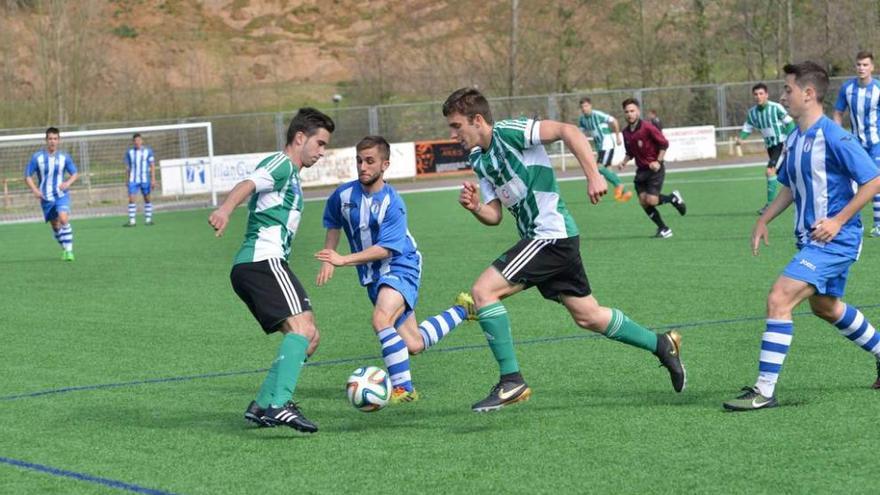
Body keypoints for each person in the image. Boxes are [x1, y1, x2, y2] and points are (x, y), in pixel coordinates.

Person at [442, 87, 686, 413]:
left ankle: (511, 380)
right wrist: (475, 207)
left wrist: (594, 175)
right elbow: (494, 215)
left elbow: (567, 131)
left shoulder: (510, 132)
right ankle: (662, 344)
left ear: (477, 120)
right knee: (589, 316)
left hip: (550, 237)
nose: (452, 134)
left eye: (456, 126)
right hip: (549, 241)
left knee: (483, 291)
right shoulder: (478, 159)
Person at [723, 62, 880, 411]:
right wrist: (764, 219)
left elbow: (874, 179)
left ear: (808, 94)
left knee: (779, 298)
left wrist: (838, 220)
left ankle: (764, 391)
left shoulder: (836, 136)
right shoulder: (794, 137)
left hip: (835, 241)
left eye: (787, 90)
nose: (782, 96)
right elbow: (789, 187)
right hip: (811, 241)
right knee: (825, 307)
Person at [315, 135, 475, 403]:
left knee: (381, 320)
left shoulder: (393, 203)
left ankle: (403, 389)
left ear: (384, 165)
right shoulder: (343, 195)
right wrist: (327, 258)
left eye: (370, 161)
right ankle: (464, 310)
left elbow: (386, 249)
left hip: (401, 264)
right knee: (413, 344)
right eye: (359, 161)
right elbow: (334, 221)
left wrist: (343, 259)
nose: (363, 167)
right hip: (372, 276)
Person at [207, 108, 334, 432]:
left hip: (259, 265)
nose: (321, 152)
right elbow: (248, 183)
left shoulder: (291, 176)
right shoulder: (280, 165)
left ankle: (263, 403)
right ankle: (279, 404)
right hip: (262, 260)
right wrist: (225, 209)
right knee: (302, 331)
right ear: (300, 137)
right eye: (319, 144)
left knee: (311, 337)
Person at [620, 98, 686, 238]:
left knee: (651, 200)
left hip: (655, 169)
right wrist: (624, 162)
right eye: (627, 112)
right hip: (641, 171)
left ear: (638, 111)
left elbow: (664, 144)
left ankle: (673, 198)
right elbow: (630, 151)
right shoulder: (625, 132)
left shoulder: (648, 127)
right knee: (643, 202)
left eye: (632, 111)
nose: (630, 114)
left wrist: (658, 161)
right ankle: (664, 228)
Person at [833, 50, 880, 238]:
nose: (861, 68)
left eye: (865, 65)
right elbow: (837, 113)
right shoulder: (847, 88)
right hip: (855, 145)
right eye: (859, 65)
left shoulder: (878, 89)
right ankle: (850, 223)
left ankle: (878, 224)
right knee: (850, 184)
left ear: (872, 67)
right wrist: (839, 136)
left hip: (876, 143)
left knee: (876, 182)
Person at [735, 83, 796, 215]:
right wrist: (741, 138)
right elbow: (748, 127)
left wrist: (790, 142)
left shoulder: (776, 108)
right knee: (784, 175)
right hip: (770, 147)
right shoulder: (753, 113)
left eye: (761, 93)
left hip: (781, 144)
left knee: (770, 171)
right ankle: (798, 197)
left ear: (767, 95)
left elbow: (790, 123)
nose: (758, 96)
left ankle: (770, 206)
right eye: (756, 94)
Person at [24, 127, 79, 261]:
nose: (52, 142)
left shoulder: (64, 157)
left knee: (64, 218)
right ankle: (65, 249)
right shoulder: (37, 157)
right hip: (46, 197)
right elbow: (27, 176)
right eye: (50, 139)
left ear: (59, 140)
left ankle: (70, 251)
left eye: (55, 139)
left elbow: (75, 173)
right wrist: (35, 190)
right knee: (55, 226)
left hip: (61, 194)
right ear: (46, 140)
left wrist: (68, 183)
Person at [577, 97, 631, 202]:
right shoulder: (582, 119)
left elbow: (613, 121)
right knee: (607, 169)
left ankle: (619, 186)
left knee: (599, 167)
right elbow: (580, 133)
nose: (584, 108)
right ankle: (623, 192)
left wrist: (617, 136)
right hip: (599, 146)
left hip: (606, 143)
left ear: (590, 106)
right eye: (582, 107)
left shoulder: (597, 115)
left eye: (586, 106)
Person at [123, 133, 156, 227]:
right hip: (133, 179)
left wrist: (153, 179)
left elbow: (152, 165)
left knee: (147, 198)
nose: (137, 142)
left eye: (139, 140)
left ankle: (148, 219)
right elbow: (127, 167)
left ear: (142, 141)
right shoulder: (129, 152)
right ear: (133, 142)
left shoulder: (148, 151)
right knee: (131, 199)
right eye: (135, 141)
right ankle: (132, 221)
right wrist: (127, 179)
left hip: (145, 179)